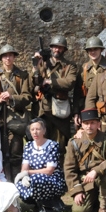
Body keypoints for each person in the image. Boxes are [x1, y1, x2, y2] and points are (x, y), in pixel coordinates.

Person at [63, 108, 106, 212]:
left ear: (98, 124)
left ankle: (103, 208)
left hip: (101, 178)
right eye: (86, 123)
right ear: (82, 125)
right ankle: (94, 202)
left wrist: (96, 171)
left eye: (93, 123)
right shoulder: (74, 143)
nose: (89, 126)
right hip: (85, 181)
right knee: (80, 210)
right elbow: (69, 169)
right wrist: (77, 191)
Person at [0, 44, 32, 179]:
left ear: (14, 57)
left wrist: (12, 98)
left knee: (15, 152)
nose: (8, 58)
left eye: (10, 55)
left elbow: (27, 97)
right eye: (5, 56)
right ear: (1, 58)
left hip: (16, 120)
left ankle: (16, 183)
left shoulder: (22, 76)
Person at [33, 35, 79, 166]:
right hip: (44, 109)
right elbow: (35, 81)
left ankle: (59, 175)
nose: (57, 49)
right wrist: (36, 63)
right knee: (42, 144)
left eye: (60, 47)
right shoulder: (43, 63)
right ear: (51, 48)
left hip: (60, 109)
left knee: (59, 146)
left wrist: (50, 81)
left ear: (64, 49)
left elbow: (69, 82)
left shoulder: (70, 66)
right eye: (55, 47)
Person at [15, 118, 67, 212]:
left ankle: (50, 203)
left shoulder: (52, 145)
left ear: (44, 130)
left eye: (38, 129)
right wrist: (23, 176)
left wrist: (28, 173)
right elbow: (24, 167)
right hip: (33, 177)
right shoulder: (28, 146)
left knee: (36, 180)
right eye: (32, 129)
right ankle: (39, 204)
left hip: (51, 179)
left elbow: (49, 170)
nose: (35, 132)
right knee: (19, 183)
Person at [74, 36, 106, 126]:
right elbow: (77, 92)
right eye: (90, 50)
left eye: (95, 49)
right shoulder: (84, 68)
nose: (92, 52)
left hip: (105, 108)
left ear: (101, 50)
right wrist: (76, 112)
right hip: (87, 107)